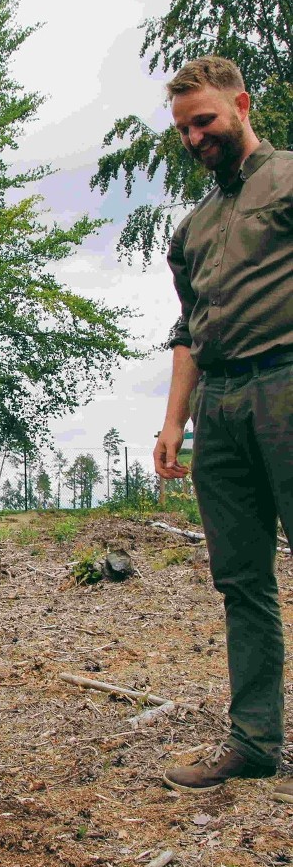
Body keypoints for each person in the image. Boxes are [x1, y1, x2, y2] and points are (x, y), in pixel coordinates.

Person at [153, 56, 292, 804]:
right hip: (223, 409)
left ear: (240, 105)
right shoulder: (193, 228)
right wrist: (174, 420)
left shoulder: (289, 180)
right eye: (182, 128)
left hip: (288, 384)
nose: (194, 136)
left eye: (204, 120)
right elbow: (189, 329)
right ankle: (254, 741)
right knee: (241, 580)